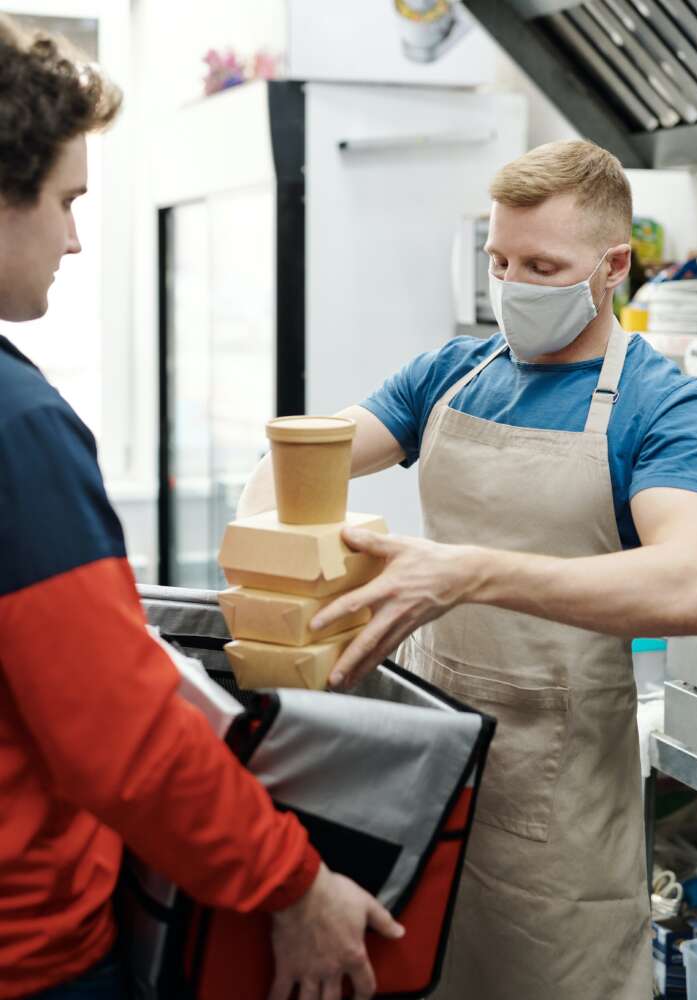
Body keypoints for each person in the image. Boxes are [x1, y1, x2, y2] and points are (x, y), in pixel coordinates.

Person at [238, 139, 697, 999]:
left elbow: (691, 585)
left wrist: (466, 571)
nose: (512, 285)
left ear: (612, 266)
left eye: (543, 265)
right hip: (435, 772)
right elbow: (303, 459)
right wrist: (262, 559)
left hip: (564, 819)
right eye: (499, 260)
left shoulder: (660, 403)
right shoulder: (453, 373)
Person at [0, 16, 402, 1000]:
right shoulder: (18, 429)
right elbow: (120, 743)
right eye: (65, 200)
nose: (76, 237)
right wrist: (294, 882)